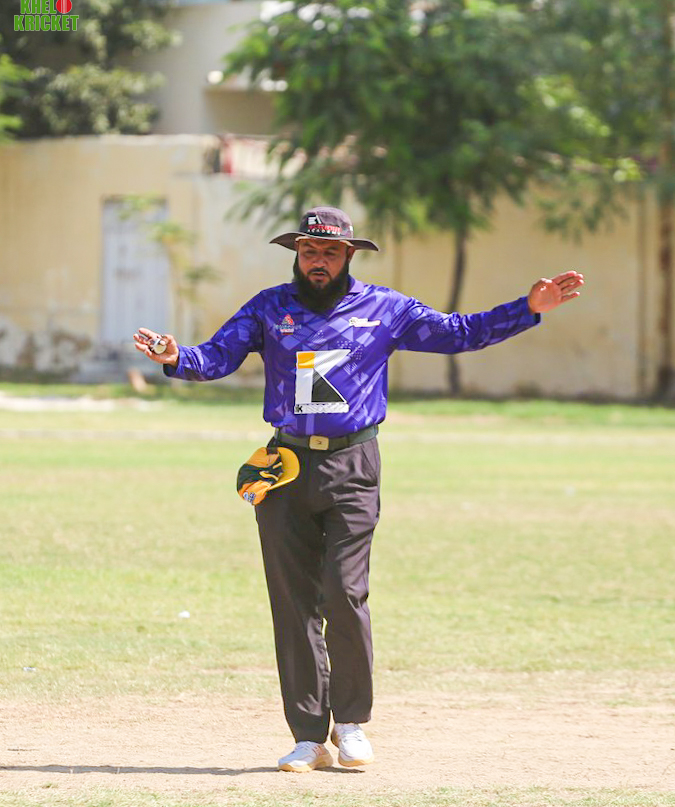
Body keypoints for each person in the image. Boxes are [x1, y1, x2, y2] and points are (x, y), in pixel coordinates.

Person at [133, 205, 584, 773]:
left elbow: (459, 333)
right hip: (284, 468)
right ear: (296, 254)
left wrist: (528, 309)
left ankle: (350, 725)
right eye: (309, 251)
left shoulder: (386, 309)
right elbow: (216, 356)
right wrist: (177, 356)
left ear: (349, 255)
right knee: (293, 603)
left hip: (353, 466)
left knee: (345, 594)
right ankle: (307, 737)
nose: (317, 262)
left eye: (329, 252)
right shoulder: (269, 307)